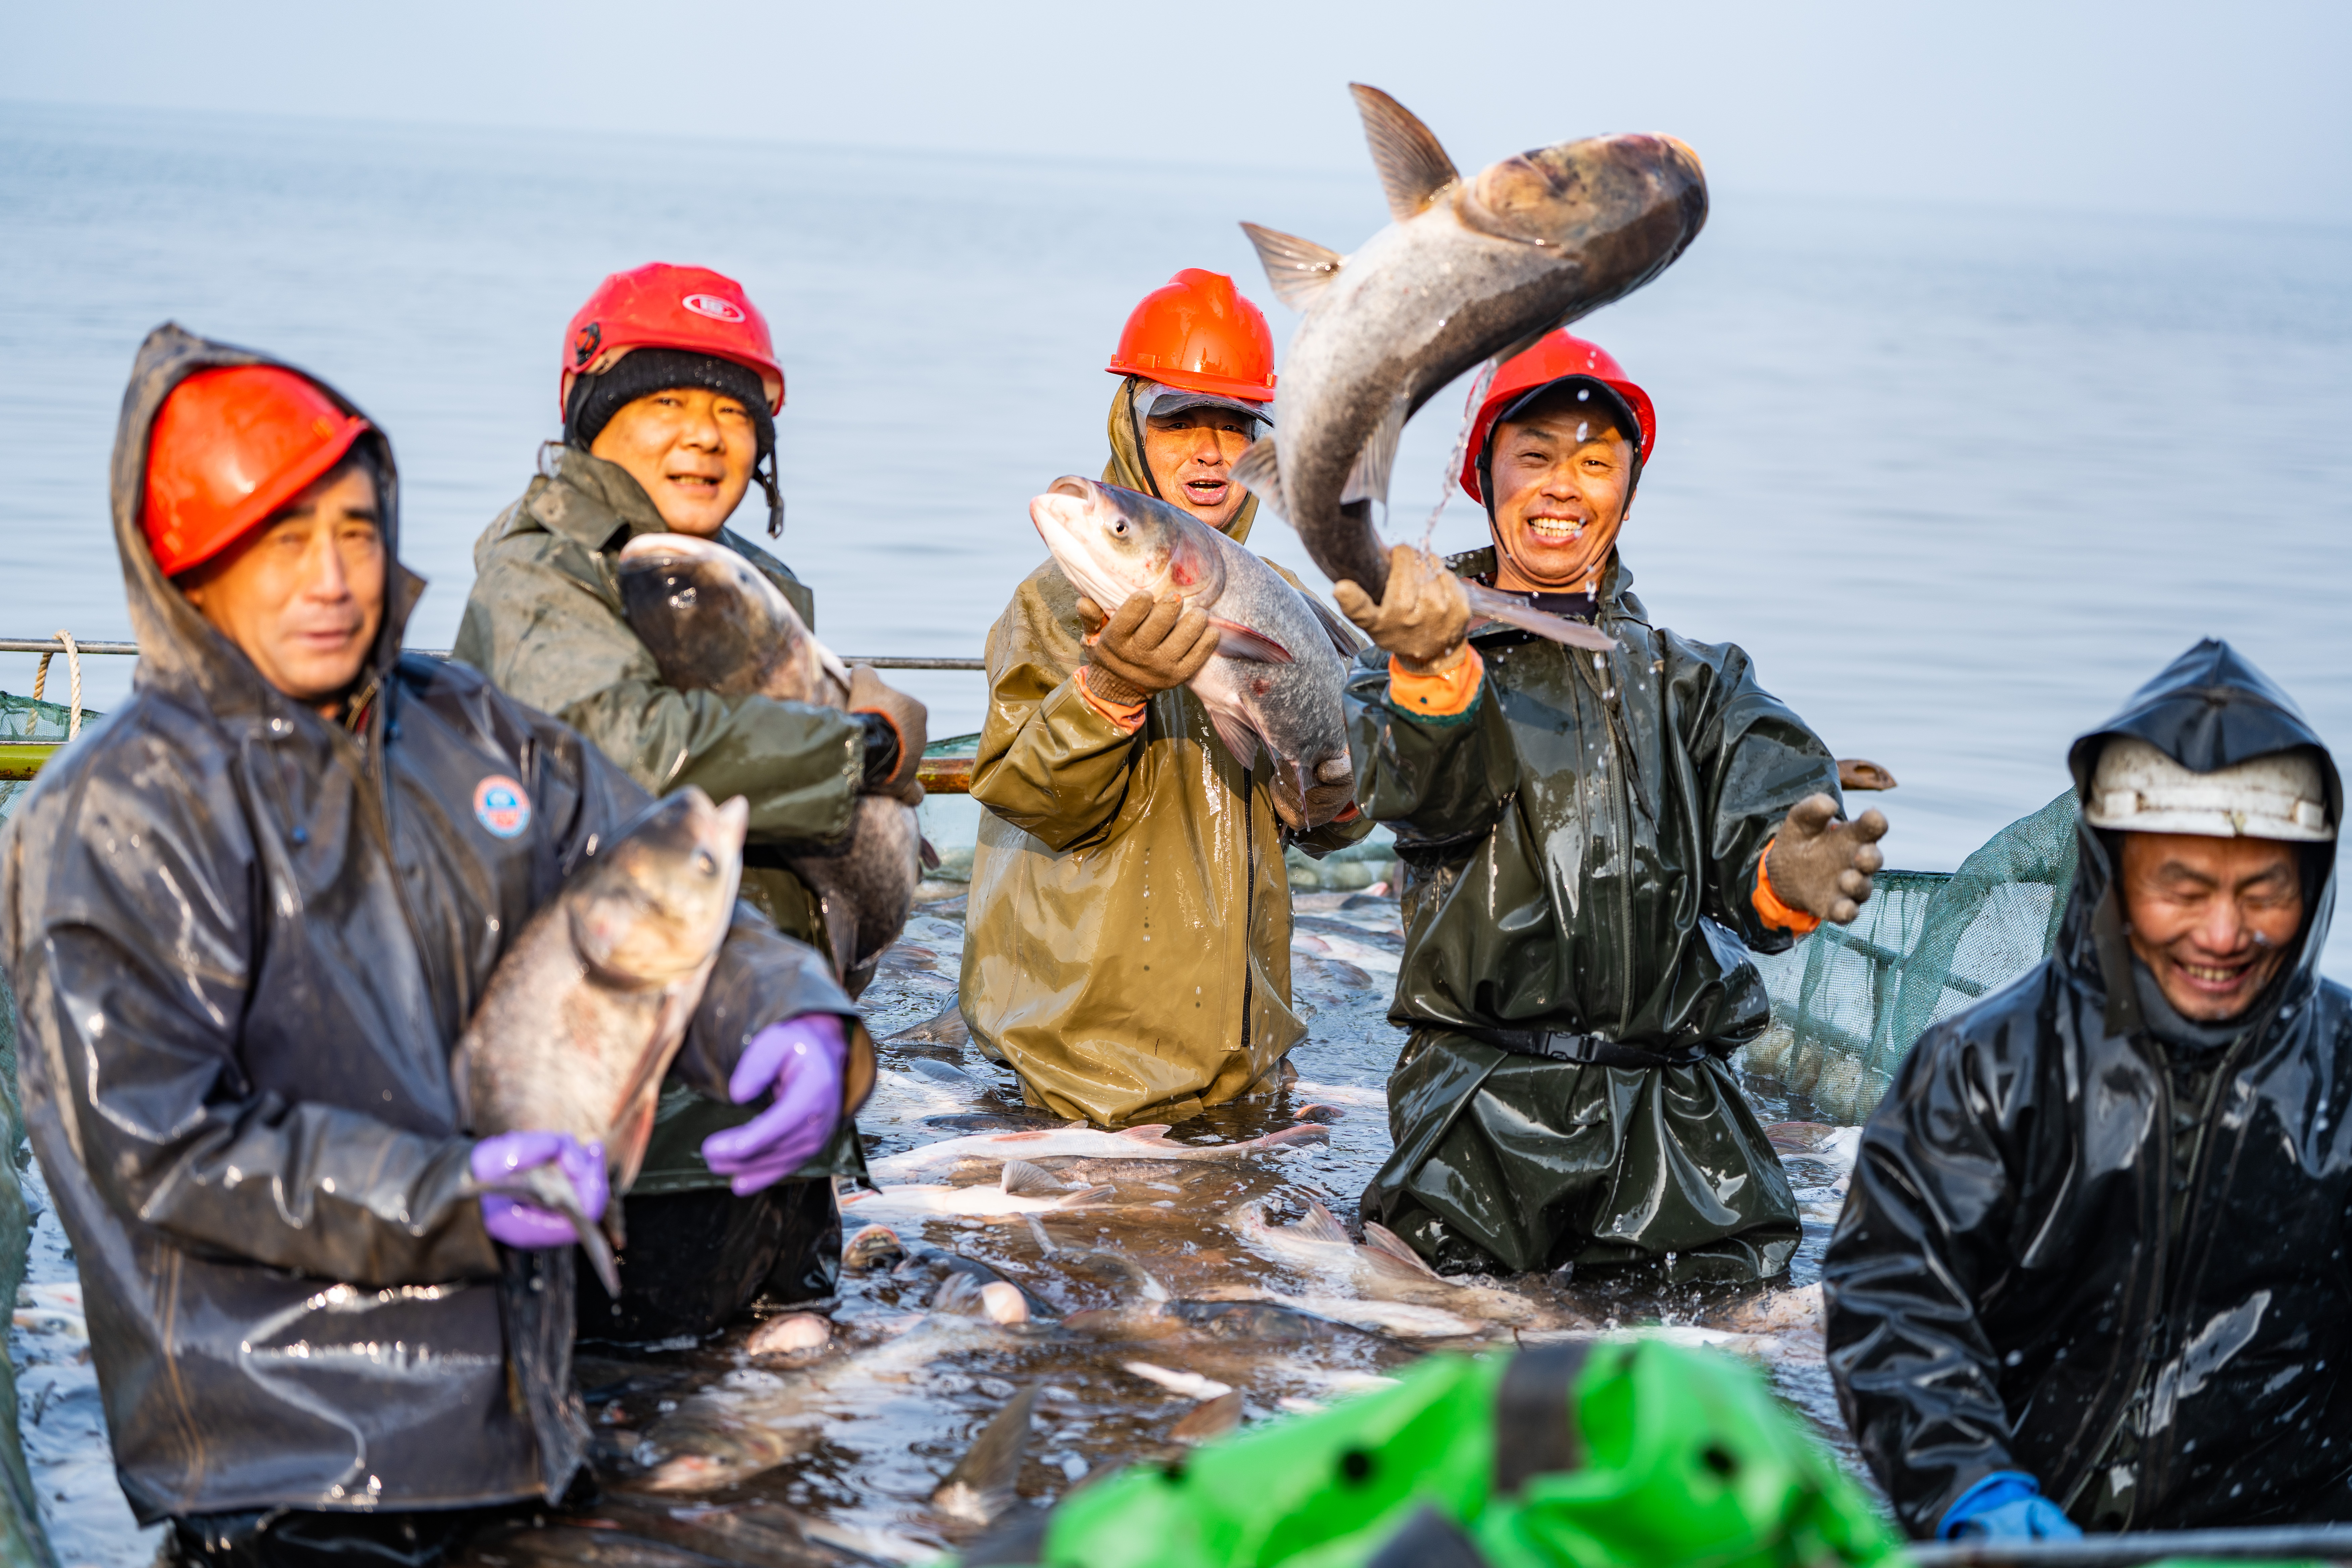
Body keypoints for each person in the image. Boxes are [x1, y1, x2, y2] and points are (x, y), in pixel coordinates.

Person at [0, 325, 866, 1567]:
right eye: (281, 542)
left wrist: (790, 1014)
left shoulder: (468, 730)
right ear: (191, 570)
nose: (334, 578)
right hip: (284, 1470)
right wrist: (448, 1196)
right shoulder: (109, 814)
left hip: (529, 1427)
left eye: (354, 530)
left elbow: (651, 863)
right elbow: (161, 1146)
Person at [1339, 330, 1888, 1282]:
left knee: (1726, 1360)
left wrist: (1784, 874)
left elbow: (1770, 801)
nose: (1563, 487)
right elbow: (1426, 799)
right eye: (1536, 457)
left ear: (1627, 492)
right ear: (1483, 475)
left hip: (1679, 1119)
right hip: (1478, 1103)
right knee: (1435, 1360)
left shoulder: (1700, 683)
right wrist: (1429, 674)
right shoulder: (1408, 662)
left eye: (1595, 464)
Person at [454, 262, 924, 1336]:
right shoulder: (542, 572)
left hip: (775, 1100)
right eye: (665, 403)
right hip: (638, 1128)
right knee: (645, 1424)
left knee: (792, 1416)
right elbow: (626, 748)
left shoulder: (750, 578)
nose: (705, 437)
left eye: (731, 413)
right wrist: (862, 749)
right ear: (590, 417)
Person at [1824, 639, 2347, 1539]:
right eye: (2179, 887)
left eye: (2264, 891)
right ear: (2111, 877)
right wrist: (1968, 1485)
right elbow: (1896, 1300)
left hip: (2285, 1539)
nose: (2223, 934)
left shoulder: (2342, 1071)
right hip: (2025, 1527)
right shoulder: (1984, 1068)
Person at [961, 268, 1372, 1126]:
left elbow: (1332, 823)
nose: (1212, 451)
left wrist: (1343, 794)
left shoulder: (1288, 597)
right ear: (1131, 420)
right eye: (1180, 420)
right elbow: (1024, 796)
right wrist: (1107, 690)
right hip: (1081, 1067)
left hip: (1244, 1061)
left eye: (1236, 424)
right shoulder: (1051, 601)